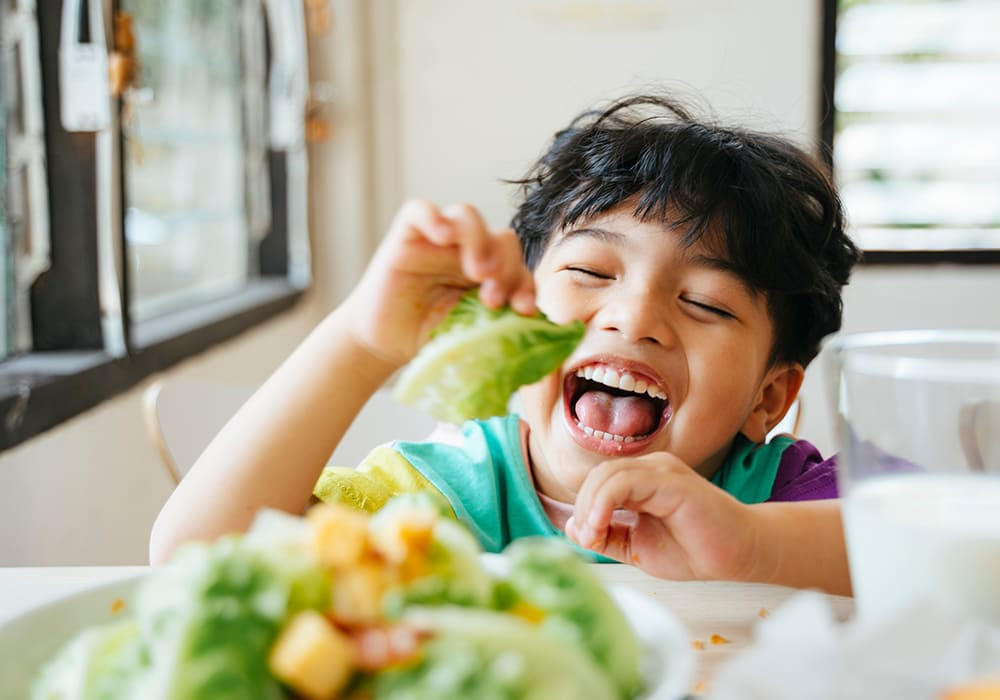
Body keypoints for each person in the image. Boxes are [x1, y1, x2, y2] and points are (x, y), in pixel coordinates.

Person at [149, 93, 861, 595]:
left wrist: (750, 544)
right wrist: (360, 344)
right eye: (590, 271)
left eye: (704, 303)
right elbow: (195, 560)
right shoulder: (440, 502)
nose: (632, 318)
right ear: (517, 306)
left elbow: (937, 552)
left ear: (769, 397)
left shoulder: (780, 500)